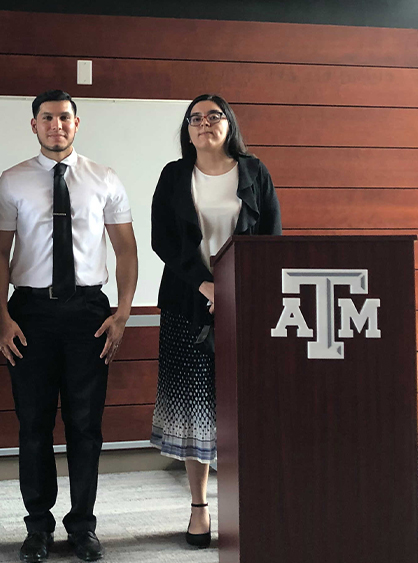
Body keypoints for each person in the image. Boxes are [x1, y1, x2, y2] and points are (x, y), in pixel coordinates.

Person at [0, 90, 138, 562]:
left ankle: (83, 526)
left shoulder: (104, 179)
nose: (57, 125)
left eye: (64, 118)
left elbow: (127, 250)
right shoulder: (12, 181)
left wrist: (124, 312)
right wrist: (2, 316)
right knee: (33, 424)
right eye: (47, 118)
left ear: (78, 123)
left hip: (89, 314)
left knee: (85, 425)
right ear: (34, 125)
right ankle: (37, 528)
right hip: (30, 313)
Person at [149, 94, 281, 548]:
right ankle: (199, 509)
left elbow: (272, 239)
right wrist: (206, 285)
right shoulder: (174, 175)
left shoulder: (254, 172)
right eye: (195, 118)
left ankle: (249, 506)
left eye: (214, 115)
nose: (205, 123)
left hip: (247, 304)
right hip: (188, 304)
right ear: (187, 130)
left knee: (245, 407)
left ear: (229, 124)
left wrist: (242, 289)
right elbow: (163, 240)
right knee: (195, 409)